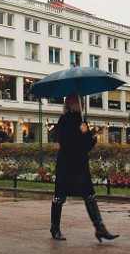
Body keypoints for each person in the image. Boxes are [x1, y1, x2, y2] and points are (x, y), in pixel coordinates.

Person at [51, 93, 119, 242]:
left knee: (89, 195)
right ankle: (54, 228)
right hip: (66, 163)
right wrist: (79, 132)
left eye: (81, 101)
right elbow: (64, 141)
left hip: (80, 163)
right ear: (69, 104)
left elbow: (86, 145)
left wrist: (90, 137)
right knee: (59, 197)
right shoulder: (64, 120)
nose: (81, 103)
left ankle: (100, 228)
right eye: (77, 101)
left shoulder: (82, 120)